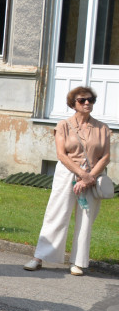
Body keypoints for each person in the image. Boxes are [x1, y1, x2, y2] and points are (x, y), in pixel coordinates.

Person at [25, 86, 111, 276]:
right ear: (73, 104)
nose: (87, 103)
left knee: (86, 219)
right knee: (56, 214)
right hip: (67, 173)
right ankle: (39, 257)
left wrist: (89, 177)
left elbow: (105, 157)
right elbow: (61, 154)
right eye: (82, 100)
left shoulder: (102, 128)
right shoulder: (63, 125)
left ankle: (77, 262)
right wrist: (81, 174)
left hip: (92, 176)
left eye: (90, 100)